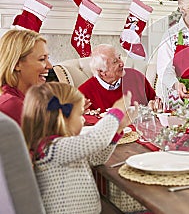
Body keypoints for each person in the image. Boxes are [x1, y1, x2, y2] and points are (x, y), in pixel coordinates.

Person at [22, 82, 138, 213]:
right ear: (62, 117)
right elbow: (96, 139)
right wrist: (115, 112)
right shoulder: (53, 149)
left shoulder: (61, 146)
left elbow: (96, 158)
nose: (83, 120)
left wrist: (118, 129)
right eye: (80, 114)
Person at [78, 44, 157, 113]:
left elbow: (155, 100)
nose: (122, 63)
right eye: (115, 61)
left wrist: (154, 104)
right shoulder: (84, 93)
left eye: (119, 57)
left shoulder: (136, 77)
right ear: (102, 72)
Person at [0, 29, 52, 125]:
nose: (50, 66)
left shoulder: (29, 100)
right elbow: (49, 138)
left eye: (47, 58)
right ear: (17, 64)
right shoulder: (12, 105)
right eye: (42, 59)